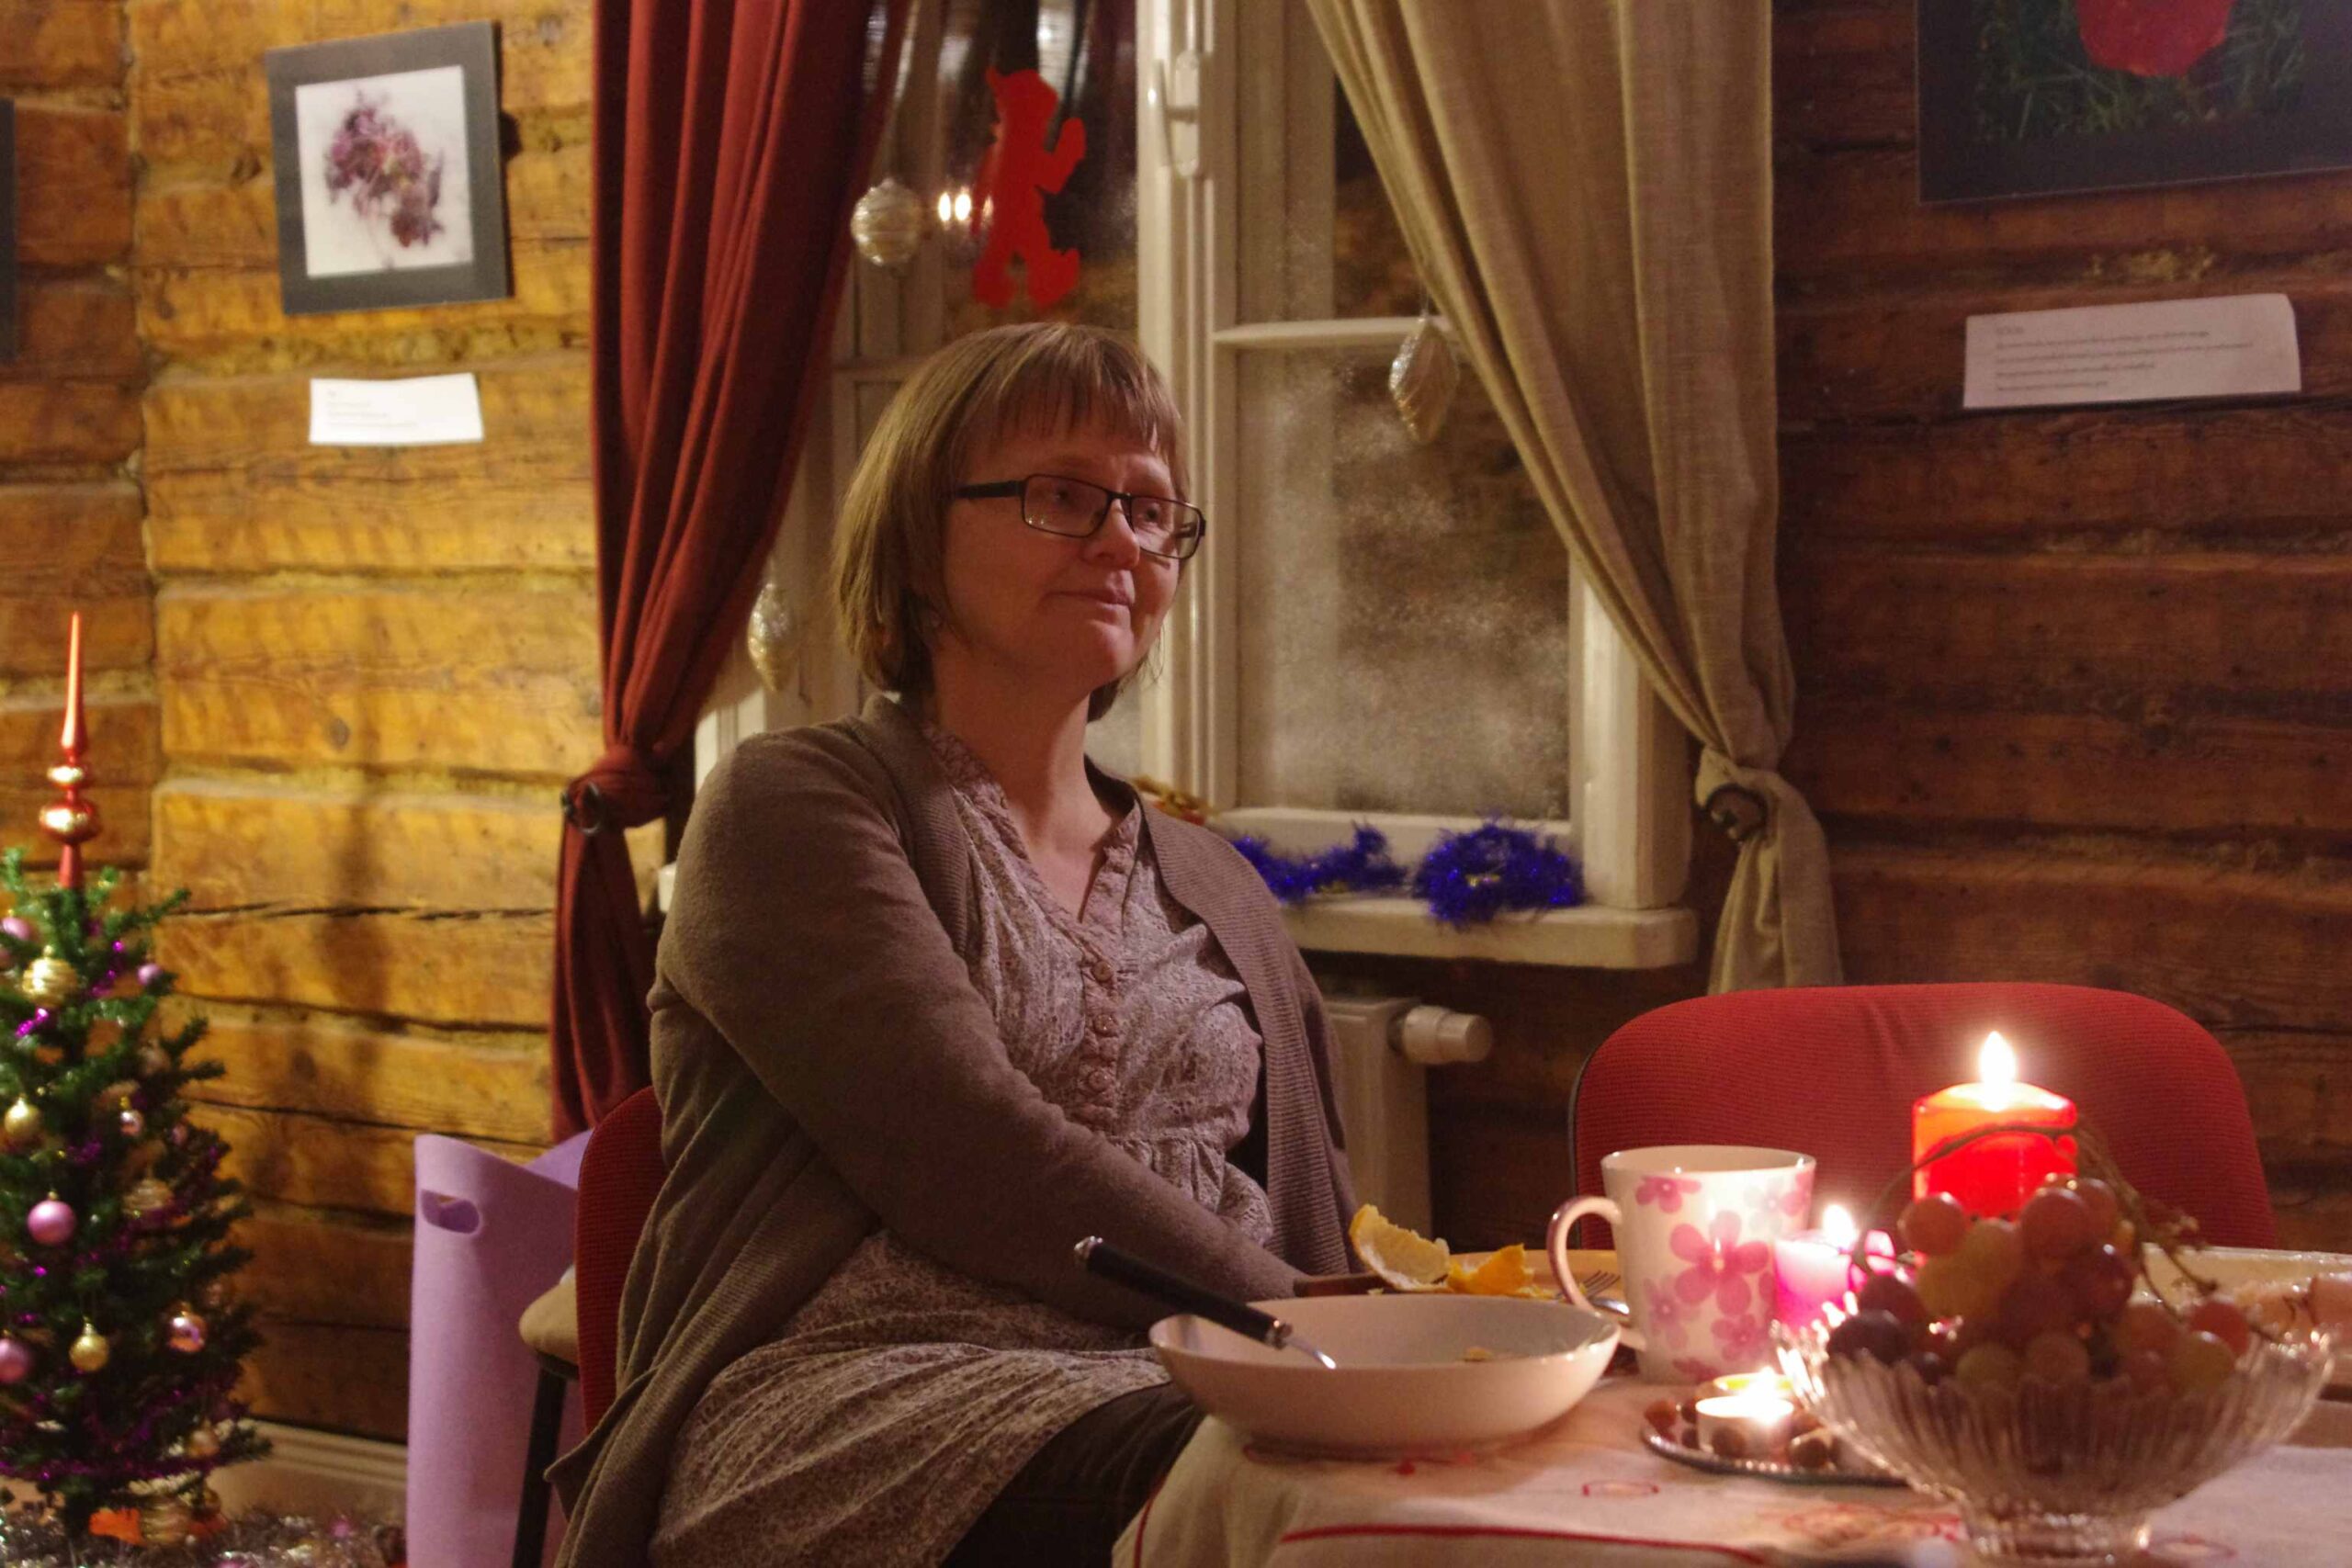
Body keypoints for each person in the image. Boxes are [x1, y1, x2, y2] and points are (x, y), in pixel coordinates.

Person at [548, 321, 1358, 1567]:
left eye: (1151, 512)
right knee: (1300, 1482)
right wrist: (1306, 1322)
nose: (1120, 543)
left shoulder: (1217, 884)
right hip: (860, 1397)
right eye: (1062, 496)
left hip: (1201, 1384)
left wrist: (1418, 1340)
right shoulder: (794, 806)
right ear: (919, 540)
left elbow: (1318, 1203)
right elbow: (967, 1150)